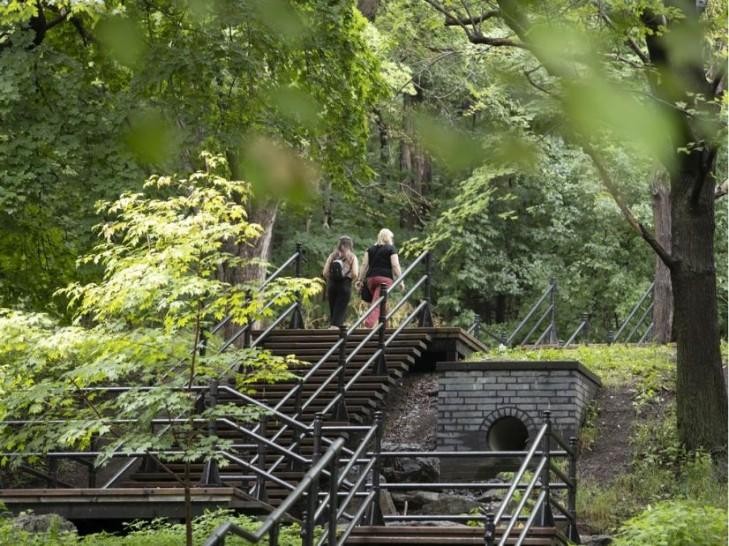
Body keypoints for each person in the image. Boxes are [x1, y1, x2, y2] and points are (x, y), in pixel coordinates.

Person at [358, 228, 402, 328]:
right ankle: (368, 325)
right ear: (388, 238)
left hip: (370, 280)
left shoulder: (370, 249)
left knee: (380, 301)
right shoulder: (391, 249)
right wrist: (401, 280)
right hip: (384, 279)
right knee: (378, 303)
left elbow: (364, 265)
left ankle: (383, 326)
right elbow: (395, 265)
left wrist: (360, 280)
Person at [323, 236, 359, 328]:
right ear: (350, 245)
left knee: (333, 310)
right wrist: (349, 279)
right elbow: (355, 273)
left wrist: (332, 279)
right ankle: (335, 333)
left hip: (332, 284)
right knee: (340, 311)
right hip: (345, 285)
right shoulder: (352, 257)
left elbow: (325, 272)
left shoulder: (332, 255)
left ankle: (333, 331)